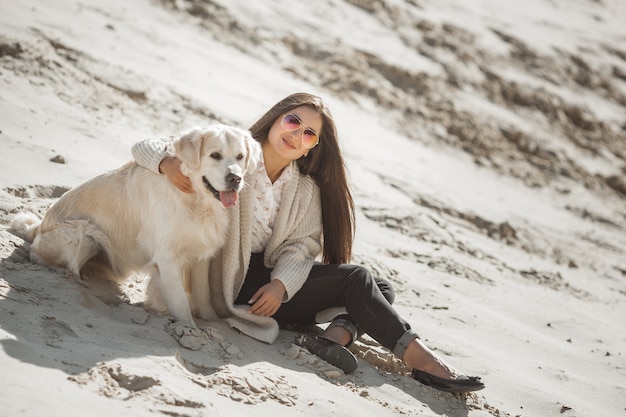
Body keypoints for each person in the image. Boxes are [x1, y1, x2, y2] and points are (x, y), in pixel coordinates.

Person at [131, 92, 484, 393]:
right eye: (292, 122)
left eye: (309, 134)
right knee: (357, 280)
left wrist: (282, 285)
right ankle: (423, 361)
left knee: (379, 285)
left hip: (266, 286)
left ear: (310, 149)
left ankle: (331, 340)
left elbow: (299, 247)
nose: (297, 134)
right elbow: (145, 145)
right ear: (273, 120)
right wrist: (165, 163)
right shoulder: (233, 156)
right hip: (226, 282)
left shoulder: (304, 189)